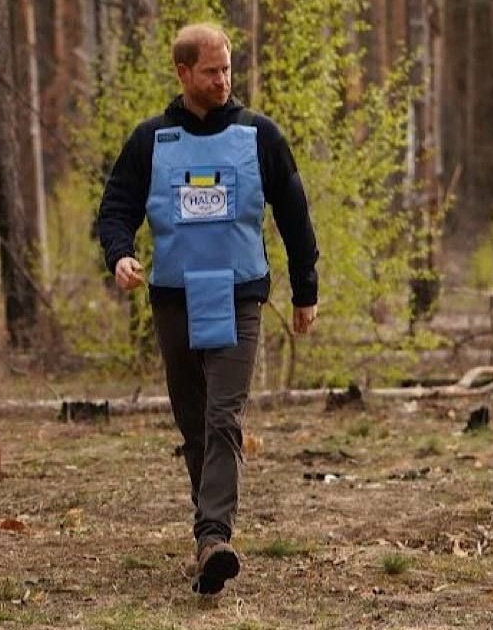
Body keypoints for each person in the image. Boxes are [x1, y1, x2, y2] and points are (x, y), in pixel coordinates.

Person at [96, 22, 320, 595]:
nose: (222, 80)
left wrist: (305, 289)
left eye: (227, 69)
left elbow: (294, 215)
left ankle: (214, 537)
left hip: (239, 294)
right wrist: (120, 255)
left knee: (224, 417)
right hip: (175, 298)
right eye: (211, 71)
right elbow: (116, 208)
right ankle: (209, 535)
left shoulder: (259, 136)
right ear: (183, 73)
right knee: (194, 422)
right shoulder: (151, 140)